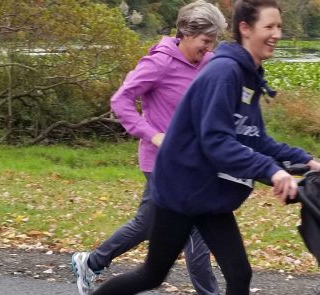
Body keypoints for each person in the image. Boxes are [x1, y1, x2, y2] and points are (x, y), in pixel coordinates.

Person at [92, 0, 320, 294]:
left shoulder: (246, 76)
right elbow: (216, 140)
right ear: (245, 29)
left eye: (279, 26)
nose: (277, 33)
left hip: (206, 190)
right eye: (269, 26)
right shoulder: (225, 72)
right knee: (151, 275)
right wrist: (272, 171)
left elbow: (255, 137)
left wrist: (307, 162)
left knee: (240, 274)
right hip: (180, 188)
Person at [71, 1, 227, 295]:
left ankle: (91, 262)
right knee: (195, 235)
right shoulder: (159, 63)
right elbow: (121, 101)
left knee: (150, 225)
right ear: (186, 32)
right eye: (206, 41)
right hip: (162, 164)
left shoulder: (208, 63)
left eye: (214, 41)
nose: (210, 48)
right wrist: (153, 135)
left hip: (194, 164)